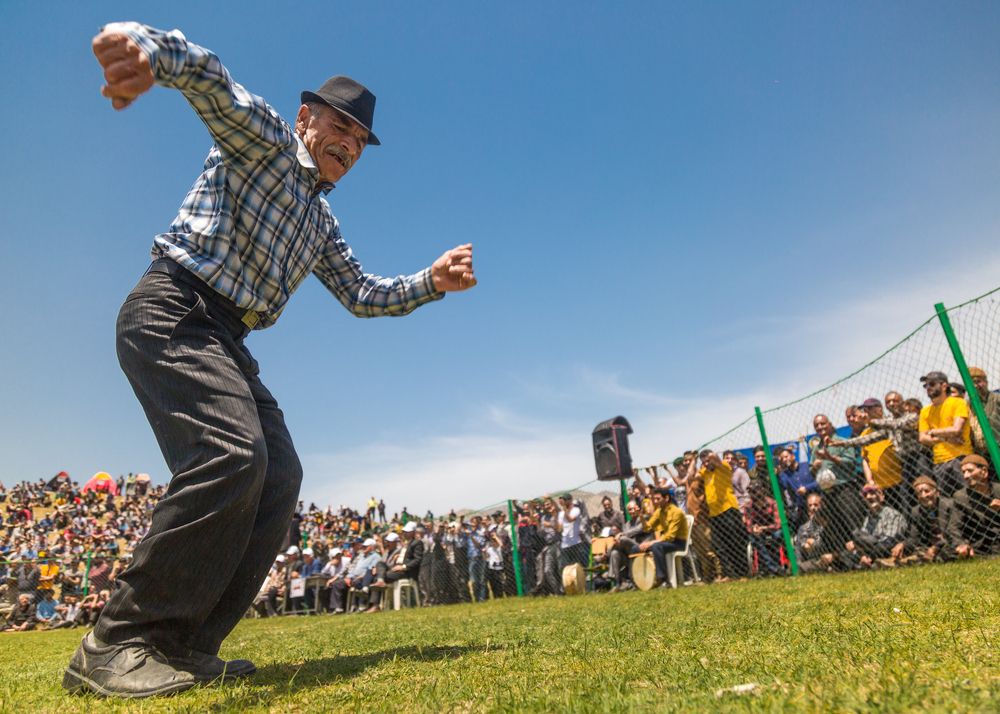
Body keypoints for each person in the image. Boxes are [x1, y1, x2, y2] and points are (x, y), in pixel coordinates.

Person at [70, 20, 477, 698]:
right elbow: (212, 84)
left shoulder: (321, 223)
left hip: (224, 337)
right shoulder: (262, 141)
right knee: (233, 453)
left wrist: (429, 282)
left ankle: (185, 644)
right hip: (172, 309)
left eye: (359, 140)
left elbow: (363, 293)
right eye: (339, 126)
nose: (348, 143)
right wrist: (148, 51)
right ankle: (117, 641)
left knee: (280, 473)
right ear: (304, 119)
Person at [891, 476, 971, 564]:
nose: (923, 495)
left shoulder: (949, 506)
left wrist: (935, 547)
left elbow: (951, 533)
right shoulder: (916, 511)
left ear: (937, 492)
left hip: (951, 542)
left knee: (948, 551)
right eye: (919, 493)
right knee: (913, 550)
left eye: (927, 491)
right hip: (930, 545)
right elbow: (914, 538)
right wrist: (903, 544)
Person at [918, 371, 973, 497]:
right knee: (949, 501)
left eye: (932, 384)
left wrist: (933, 432)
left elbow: (956, 429)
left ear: (944, 386)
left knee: (971, 496)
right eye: (925, 385)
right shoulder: (925, 411)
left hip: (961, 458)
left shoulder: (957, 402)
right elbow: (922, 438)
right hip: (939, 463)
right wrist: (947, 438)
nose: (928, 388)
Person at [842, 485, 906, 569]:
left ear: (882, 496)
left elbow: (890, 542)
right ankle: (865, 563)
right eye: (865, 495)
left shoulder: (893, 514)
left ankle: (865, 564)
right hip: (871, 550)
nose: (868, 497)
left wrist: (862, 549)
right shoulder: (867, 518)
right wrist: (861, 552)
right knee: (845, 553)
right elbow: (863, 539)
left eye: (872, 493)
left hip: (887, 549)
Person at [952, 454, 1000, 555]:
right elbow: (954, 526)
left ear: (984, 472)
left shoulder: (998, 490)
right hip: (978, 544)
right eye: (963, 472)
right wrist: (961, 544)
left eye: (970, 471)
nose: (965, 476)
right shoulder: (961, 497)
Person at [967, 367, 1000, 460]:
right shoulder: (968, 405)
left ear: (986, 382)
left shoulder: (997, 399)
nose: (976, 385)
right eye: (972, 383)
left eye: (978, 381)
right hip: (982, 453)